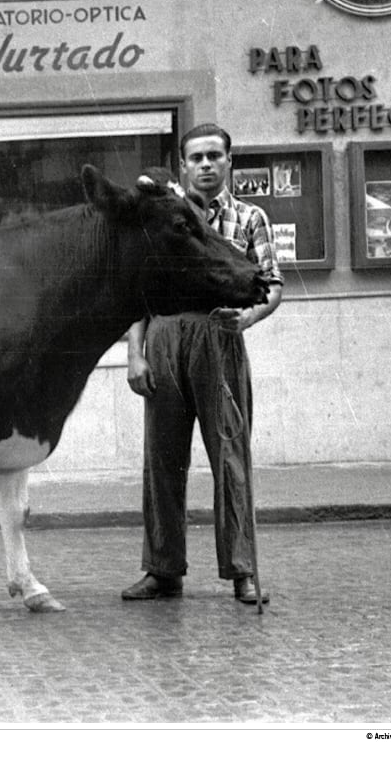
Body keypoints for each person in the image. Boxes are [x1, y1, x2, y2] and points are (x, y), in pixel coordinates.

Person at [122, 124, 284, 605]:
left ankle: (243, 571)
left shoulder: (251, 218)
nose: (206, 165)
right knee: (162, 460)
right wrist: (135, 353)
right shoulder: (161, 217)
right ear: (184, 165)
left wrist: (250, 314)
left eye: (215, 155)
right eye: (196, 158)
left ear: (230, 161)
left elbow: (272, 283)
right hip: (166, 335)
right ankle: (163, 570)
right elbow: (138, 292)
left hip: (220, 335)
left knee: (230, 457)